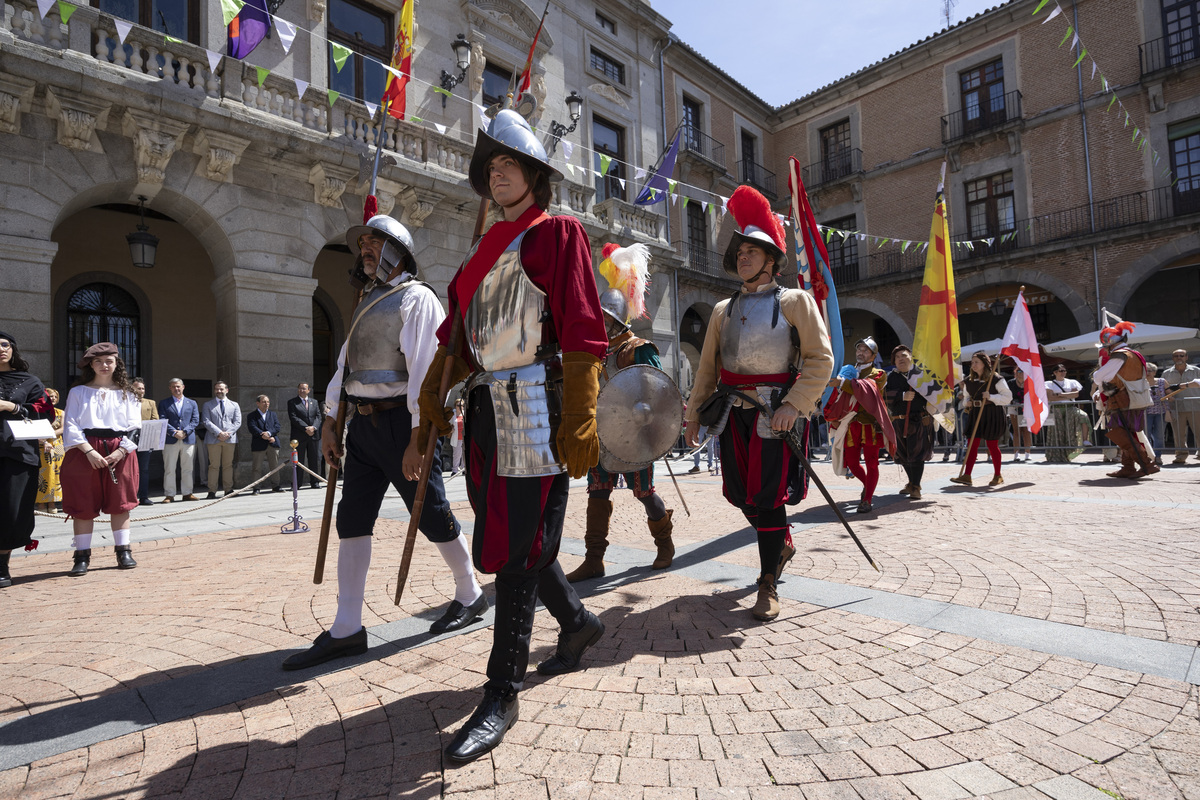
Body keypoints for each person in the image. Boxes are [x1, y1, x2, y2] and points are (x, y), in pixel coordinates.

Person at [416, 109, 608, 763]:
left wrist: (580, 417)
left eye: (509, 165)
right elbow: (456, 342)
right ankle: (577, 624)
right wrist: (430, 401)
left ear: (533, 174)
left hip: (535, 406)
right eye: (491, 167)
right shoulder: (477, 257)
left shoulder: (557, 233)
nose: (498, 175)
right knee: (511, 537)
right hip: (484, 415)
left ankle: (502, 692)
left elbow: (583, 329)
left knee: (517, 554)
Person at [282, 214, 485, 671]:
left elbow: (424, 375)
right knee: (351, 519)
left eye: (376, 241)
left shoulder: (417, 300)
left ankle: (470, 594)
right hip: (365, 429)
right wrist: (332, 421)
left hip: (403, 425)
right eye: (364, 243)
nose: (366, 249)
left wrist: (418, 436)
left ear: (398, 249)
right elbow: (343, 370)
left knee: (431, 513)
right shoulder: (366, 302)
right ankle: (347, 628)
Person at [683, 184, 834, 621]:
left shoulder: (795, 302)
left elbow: (820, 359)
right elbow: (707, 371)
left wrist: (795, 404)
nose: (743, 257)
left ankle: (767, 582)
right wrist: (694, 415)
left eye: (753, 250)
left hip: (776, 414)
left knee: (768, 498)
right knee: (742, 496)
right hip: (731, 413)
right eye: (740, 252)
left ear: (771, 259)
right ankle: (781, 542)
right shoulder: (721, 310)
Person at [566, 241, 676, 582]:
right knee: (598, 492)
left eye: (607, 320)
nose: (603, 325)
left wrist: (654, 432)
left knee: (644, 494)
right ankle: (594, 559)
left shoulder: (638, 349)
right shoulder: (596, 353)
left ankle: (665, 542)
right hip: (603, 435)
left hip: (636, 437)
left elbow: (659, 394)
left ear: (618, 321)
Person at [60, 342, 142, 576]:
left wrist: (121, 451)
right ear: (90, 365)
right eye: (98, 361)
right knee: (83, 504)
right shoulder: (78, 392)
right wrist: (88, 451)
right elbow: (71, 425)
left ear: (117, 363)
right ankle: (82, 556)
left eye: (109, 361)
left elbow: (135, 427)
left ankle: (123, 551)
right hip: (84, 450)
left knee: (121, 503)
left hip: (120, 450)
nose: (104, 365)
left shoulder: (129, 393)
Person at [0, 331, 57, 588]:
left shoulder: (29, 381)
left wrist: (12, 407)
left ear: (13, 349)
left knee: (12, 512)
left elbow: (47, 414)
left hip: (18, 454)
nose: (1, 349)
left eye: (4, 344)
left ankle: (2, 565)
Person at [824, 337, 895, 513]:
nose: (860, 353)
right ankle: (868, 486)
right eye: (859, 349)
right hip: (850, 425)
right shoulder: (847, 371)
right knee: (853, 464)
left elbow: (867, 389)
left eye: (865, 350)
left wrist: (842, 382)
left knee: (872, 464)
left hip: (870, 425)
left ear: (873, 355)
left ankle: (867, 500)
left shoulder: (878, 374)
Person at [1093, 322, 1158, 479]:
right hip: (1133, 397)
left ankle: (1146, 464)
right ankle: (1127, 467)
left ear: (1110, 343)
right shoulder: (1135, 354)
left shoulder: (1120, 355)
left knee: (1123, 435)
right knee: (1128, 434)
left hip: (1123, 399)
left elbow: (1099, 376)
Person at [950, 351, 1012, 487]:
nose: (973, 365)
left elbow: (1008, 398)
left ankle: (998, 475)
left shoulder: (996, 379)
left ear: (985, 364)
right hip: (975, 413)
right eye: (972, 362)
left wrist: (991, 396)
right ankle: (967, 475)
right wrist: (968, 403)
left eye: (976, 362)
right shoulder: (969, 381)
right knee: (972, 444)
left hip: (992, 413)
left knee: (992, 445)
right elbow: (965, 398)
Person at [884, 346, 935, 500]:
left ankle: (916, 486)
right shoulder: (891, 377)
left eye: (904, 355)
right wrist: (901, 395)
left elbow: (934, 393)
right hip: (899, 421)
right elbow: (884, 396)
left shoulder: (921, 375)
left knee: (917, 454)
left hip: (918, 421)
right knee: (902, 455)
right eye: (897, 356)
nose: (901, 359)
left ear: (911, 358)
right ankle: (911, 482)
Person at [158, 379, 199, 502]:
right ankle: (169, 494)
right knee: (169, 468)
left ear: (183, 387)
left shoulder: (192, 403)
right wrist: (174, 432)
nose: (176, 389)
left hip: (188, 439)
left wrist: (185, 432)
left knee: (188, 468)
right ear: (170, 388)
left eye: (178, 386)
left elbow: (195, 420)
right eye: (173, 387)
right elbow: (162, 419)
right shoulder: (164, 403)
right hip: (171, 440)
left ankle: (187, 493)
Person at [201, 382, 241, 499]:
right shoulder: (208, 405)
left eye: (221, 389)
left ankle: (228, 489)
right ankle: (212, 490)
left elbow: (237, 422)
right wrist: (219, 433)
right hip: (214, 439)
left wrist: (227, 434)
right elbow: (206, 421)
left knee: (228, 465)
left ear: (227, 390)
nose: (219, 391)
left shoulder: (234, 405)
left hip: (229, 439)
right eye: (217, 389)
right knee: (214, 465)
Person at [1044, 365, 1088, 463]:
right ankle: (1056, 456)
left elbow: (1076, 394)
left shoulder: (1072, 382)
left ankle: (1085, 440)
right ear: (1055, 372)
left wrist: (1060, 395)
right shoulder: (1049, 383)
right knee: (1058, 433)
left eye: (1065, 370)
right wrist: (1068, 395)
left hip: (1070, 408)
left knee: (1082, 417)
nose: (1063, 372)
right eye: (1061, 371)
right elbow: (1050, 397)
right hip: (1056, 409)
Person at [1163, 349, 1200, 463]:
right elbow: (1164, 389)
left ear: (1186, 357)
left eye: (1181, 355)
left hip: (1196, 406)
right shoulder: (1166, 373)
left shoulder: (1196, 370)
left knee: (1199, 432)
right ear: (1173, 358)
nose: (1179, 358)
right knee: (1178, 434)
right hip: (1176, 407)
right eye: (1176, 356)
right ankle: (1181, 455)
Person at [287, 383, 323, 488]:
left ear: (308, 390)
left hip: (313, 435)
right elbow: (293, 418)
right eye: (300, 389)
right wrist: (306, 428)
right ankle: (297, 483)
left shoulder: (314, 402)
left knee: (314, 459)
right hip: (299, 435)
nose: (302, 390)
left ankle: (315, 482)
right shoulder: (292, 402)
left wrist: (314, 427)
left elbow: (318, 416)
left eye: (304, 389)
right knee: (298, 460)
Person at [35, 387, 64, 513]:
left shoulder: (61, 412)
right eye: (50, 396)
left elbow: (63, 428)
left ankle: (53, 502)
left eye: (55, 397)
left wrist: (49, 434)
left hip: (57, 446)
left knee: (57, 474)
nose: (52, 399)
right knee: (42, 474)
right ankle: (41, 503)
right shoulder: (38, 411)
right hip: (41, 444)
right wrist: (44, 439)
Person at [246, 394, 283, 494]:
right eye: (264, 402)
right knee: (257, 467)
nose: (266, 404)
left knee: (274, 466)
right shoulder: (252, 416)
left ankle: (276, 486)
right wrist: (263, 434)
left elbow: (277, 427)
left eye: (268, 402)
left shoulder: (273, 414)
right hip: (259, 444)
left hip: (272, 443)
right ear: (258, 403)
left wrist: (270, 434)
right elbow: (252, 427)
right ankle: (256, 487)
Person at [131, 378, 158, 505]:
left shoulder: (150, 403)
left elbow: (155, 420)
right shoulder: (126, 402)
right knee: (129, 469)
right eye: (138, 388)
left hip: (145, 438)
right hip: (129, 439)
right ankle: (130, 496)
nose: (141, 391)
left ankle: (143, 496)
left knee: (144, 469)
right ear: (132, 389)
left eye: (142, 388)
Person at [1007, 367, 1033, 461]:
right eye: (1019, 371)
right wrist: (1014, 402)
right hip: (1014, 408)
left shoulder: (1029, 382)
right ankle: (1016, 453)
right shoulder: (1011, 382)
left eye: (1023, 371)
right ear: (1016, 372)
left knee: (1026, 431)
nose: (1021, 373)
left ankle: (1027, 453)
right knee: (1016, 430)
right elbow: (1008, 395)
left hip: (1026, 409)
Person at [1145, 363, 1167, 467]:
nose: (1147, 373)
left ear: (1154, 372)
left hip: (1161, 412)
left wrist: (1169, 398)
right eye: (1145, 370)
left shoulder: (1162, 382)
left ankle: (1157, 456)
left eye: (1149, 371)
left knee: (1159, 436)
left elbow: (1170, 393)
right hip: (1145, 413)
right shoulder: (1140, 383)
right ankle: (1148, 456)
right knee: (1146, 436)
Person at [450, 399, 465, 476]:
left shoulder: (465, 414)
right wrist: (450, 429)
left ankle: (463, 469)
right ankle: (455, 470)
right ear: (455, 406)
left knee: (464, 454)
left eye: (461, 405)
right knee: (456, 454)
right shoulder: (452, 415)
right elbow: (449, 424)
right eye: (458, 405)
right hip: (457, 437)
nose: (460, 407)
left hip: (464, 437)